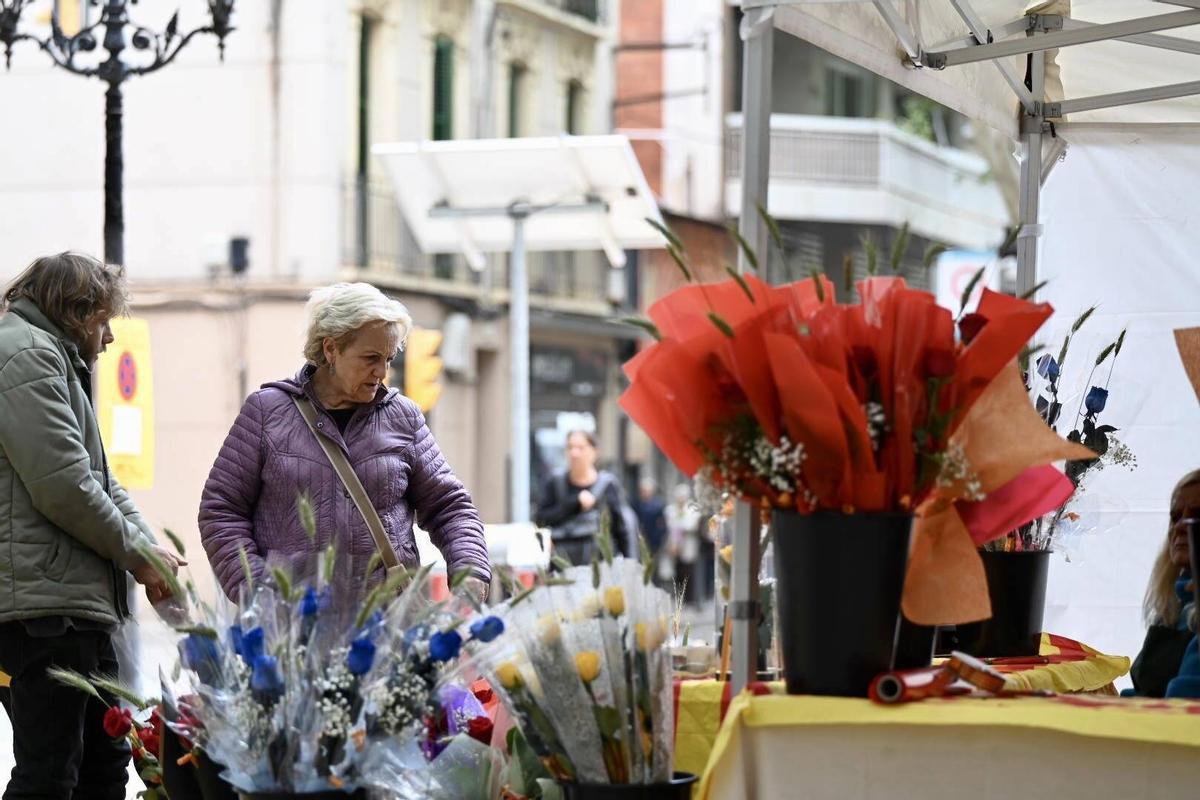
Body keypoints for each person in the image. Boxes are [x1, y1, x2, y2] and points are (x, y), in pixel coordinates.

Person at [0, 252, 183, 799]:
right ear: (75, 312)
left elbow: (97, 480)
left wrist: (148, 552)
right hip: (44, 611)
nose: (106, 339)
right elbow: (64, 487)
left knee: (102, 766)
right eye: (103, 321)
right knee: (51, 771)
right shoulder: (26, 357)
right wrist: (137, 554)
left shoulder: (50, 359)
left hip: (68, 606)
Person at [199, 283, 490, 601]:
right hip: (293, 632)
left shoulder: (403, 417)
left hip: (387, 631)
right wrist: (256, 592)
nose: (382, 372)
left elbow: (451, 507)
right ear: (331, 349)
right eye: (371, 358)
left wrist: (470, 570)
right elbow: (221, 511)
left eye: (389, 359)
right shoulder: (267, 412)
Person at [1128, 469, 1200, 697]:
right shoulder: (1174, 607)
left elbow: (1184, 707)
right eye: (1176, 516)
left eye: (1196, 516)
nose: (1180, 526)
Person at [535, 430, 635, 566]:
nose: (574, 453)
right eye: (570, 447)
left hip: (599, 568)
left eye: (581, 448)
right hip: (562, 570)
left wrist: (631, 568)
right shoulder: (555, 482)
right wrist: (575, 503)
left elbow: (622, 530)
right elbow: (541, 519)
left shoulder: (607, 485)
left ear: (595, 452)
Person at [665, 484, 702, 606]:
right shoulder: (671, 510)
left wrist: (680, 527)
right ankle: (678, 596)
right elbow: (670, 526)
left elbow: (691, 525)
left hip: (688, 545)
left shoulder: (692, 508)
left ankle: (689, 598)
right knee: (677, 571)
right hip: (675, 546)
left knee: (688, 571)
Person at [634, 478, 669, 586]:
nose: (644, 493)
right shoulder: (635, 504)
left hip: (653, 543)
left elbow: (662, 527)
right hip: (639, 542)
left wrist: (657, 541)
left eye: (646, 490)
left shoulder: (658, 506)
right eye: (642, 490)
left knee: (653, 570)